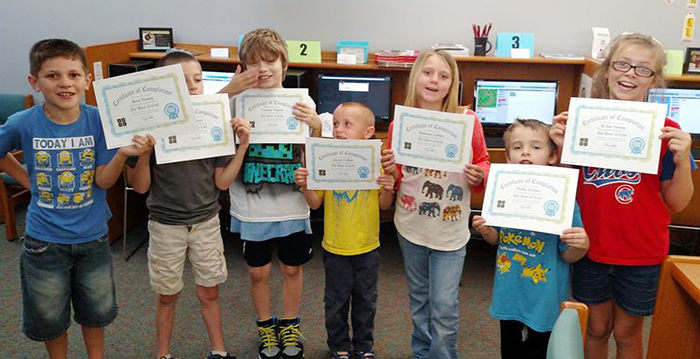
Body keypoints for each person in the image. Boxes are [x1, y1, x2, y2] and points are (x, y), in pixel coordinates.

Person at [0, 38, 150, 359]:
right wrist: (25, 178)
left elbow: (103, 180)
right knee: (50, 316)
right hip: (43, 242)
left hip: (93, 238)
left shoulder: (97, 120)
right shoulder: (24, 122)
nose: (65, 83)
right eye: (53, 76)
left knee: (96, 311)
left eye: (73, 75)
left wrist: (122, 155)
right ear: (34, 82)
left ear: (87, 80)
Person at [549, 33, 696, 359]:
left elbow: (678, 202)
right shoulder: (582, 123)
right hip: (590, 248)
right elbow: (562, 190)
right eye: (623, 64)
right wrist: (561, 149)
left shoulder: (667, 130)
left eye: (643, 69)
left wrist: (683, 159)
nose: (630, 73)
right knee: (596, 328)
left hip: (640, 253)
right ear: (607, 70)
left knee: (628, 333)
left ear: (655, 80)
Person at [126, 51, 251, 359]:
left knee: (210, 291)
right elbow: (140, 186)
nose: (193, 86)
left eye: (197, 79)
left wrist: (243, 145)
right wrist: (145, 153)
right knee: (167, 295)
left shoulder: (213, 121)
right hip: (165, 223)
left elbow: (222, 183)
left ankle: (218, 351)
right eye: (182, 81)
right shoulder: (146, 130)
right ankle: (163, 353)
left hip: (206, 221)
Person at [219, 28, 322, 359]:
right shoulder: (234, 101)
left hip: (292, 204)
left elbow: (315, 149)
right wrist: (228, 95)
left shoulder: (302, 101)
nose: (262, 69)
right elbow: (201, 123)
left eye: (270, 60)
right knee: (257, 271)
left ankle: (289, 324)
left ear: (284, 63)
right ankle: (266, 327)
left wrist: (317, 125)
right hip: (252, 206)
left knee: (292, 269)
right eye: (252, 63)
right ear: (242, 67)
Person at [385, 49, 490, 359]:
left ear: (452, 84)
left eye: (444, 76)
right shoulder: (400, 123)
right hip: (411, 227)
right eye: (428, 73)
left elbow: (483, 160)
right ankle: (421, 354)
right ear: (416, 76)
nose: (434, 80)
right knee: (419, 301)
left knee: (443, 308)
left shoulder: (467, 120)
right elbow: (400, 175)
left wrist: (479, 172)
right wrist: (392, 170)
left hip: (451, 232)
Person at [472, 119, 589, 359]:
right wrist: (486, 231)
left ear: (553, 156)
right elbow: (496, 240)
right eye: (517, 147)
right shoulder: (502, 191)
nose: (525, 152)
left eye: (536, 147)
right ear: (507, 157)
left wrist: (582, 245)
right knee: (510, 349)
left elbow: (568, 255)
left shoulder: (564, 197)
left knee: (539, 349)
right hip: (509, 291)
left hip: (545, 295)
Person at [293, 103, 395, 359]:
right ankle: (338, 345)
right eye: (336, 124)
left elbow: (384, 206)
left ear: (368, 132)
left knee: (366, 302)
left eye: (347, 124)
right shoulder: (327, 160)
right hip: (335, 248)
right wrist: (305, 186)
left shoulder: (375, 164)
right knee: (335, 303)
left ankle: (363, 346)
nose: (338, 129)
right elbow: (315, 203)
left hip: (367, 248)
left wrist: (390, 187)